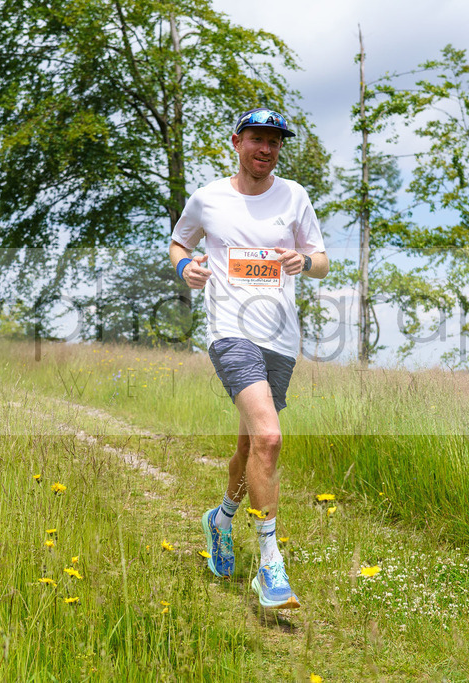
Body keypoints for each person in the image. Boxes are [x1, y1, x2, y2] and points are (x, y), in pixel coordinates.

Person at [169, 108, 329, 610]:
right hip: (230, 333)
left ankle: (220, 519)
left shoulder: (295, 196)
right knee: (270, 436)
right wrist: (186, 270)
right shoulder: (208, 199)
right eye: (258, 139)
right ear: (236, 142)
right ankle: (270, 563)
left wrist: (305, 261)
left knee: (252, 448)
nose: (266, 148)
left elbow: (321, 260)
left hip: (280, 339)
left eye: (275, 142)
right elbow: (179, 243)